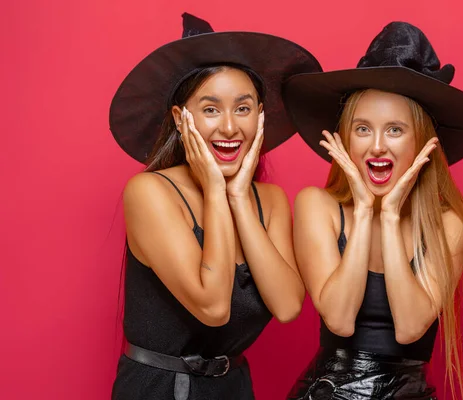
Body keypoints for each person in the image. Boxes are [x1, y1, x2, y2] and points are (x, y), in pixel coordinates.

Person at [109, 13, 321, 400]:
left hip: (234, 387)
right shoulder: (150, 192)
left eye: (242, 108)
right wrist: (212, 190)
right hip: (159, 388)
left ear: (260, 116)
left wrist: (237, 196)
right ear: (180, 118)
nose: (228, 128)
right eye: (210, 109)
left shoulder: (268, 200)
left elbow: (289, 306)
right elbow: (213, 307)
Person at [283, 21, 463, 400]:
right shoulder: (318, 205)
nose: (377, 146)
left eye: (395, 130)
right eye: (363, 129)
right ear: (345, 139)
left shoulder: (451, 224)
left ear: (422, 143)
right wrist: (365, 211)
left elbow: (411, 327)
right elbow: (339, 318)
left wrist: (392, 214)